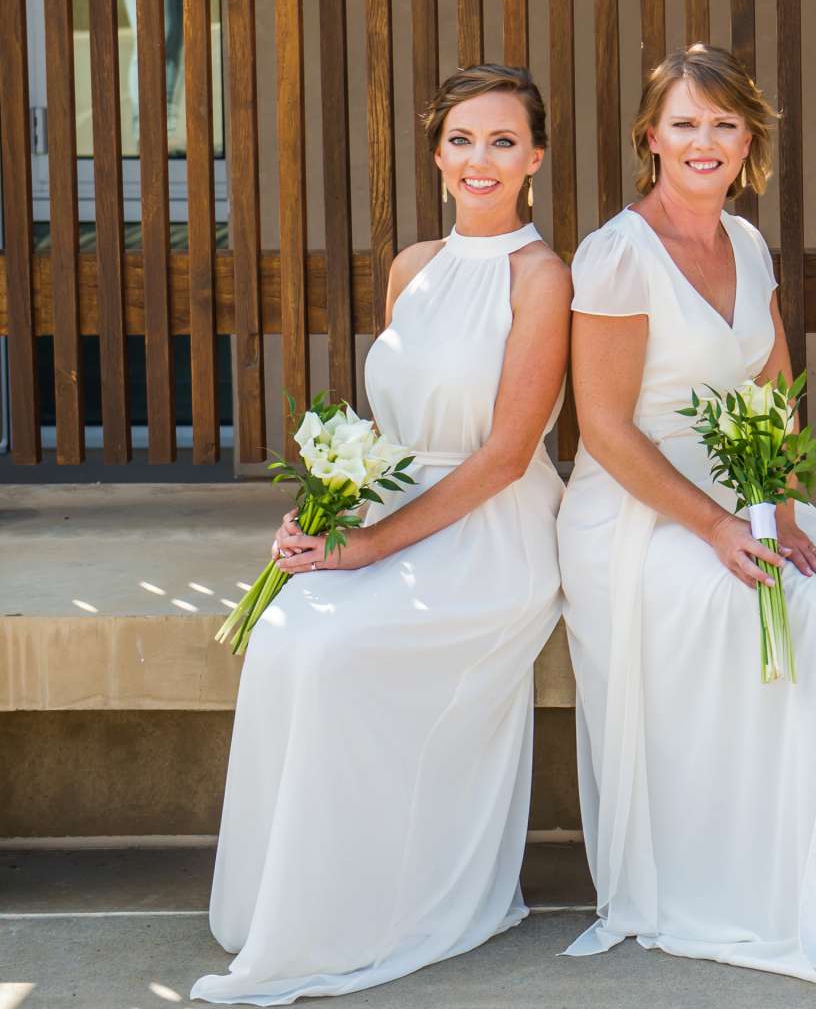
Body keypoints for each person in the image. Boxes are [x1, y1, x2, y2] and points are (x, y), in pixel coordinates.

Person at [556, 45, 816, 985]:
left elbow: (775, 397)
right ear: (650, 137)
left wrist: (779, 508)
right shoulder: (618, 255)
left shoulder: (744, 243)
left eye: (724, 124)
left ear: (749, 139)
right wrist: (716, 526)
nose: (705, 142)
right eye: (685, 124)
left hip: (748, 495)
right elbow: (607, 433)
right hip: (639, 517)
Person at [196, 64, 569, 1004]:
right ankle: (288, 902)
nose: (477, 160)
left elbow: (506, 454)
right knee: (287, 629)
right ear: (437, 154)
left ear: (535, 157)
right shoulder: (414, 265)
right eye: (459, 140)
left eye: (500, 141)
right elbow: (387, 428)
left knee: (336, 646)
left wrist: (367, 548)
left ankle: (380, 906)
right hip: (391, 512)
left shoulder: (544, 277)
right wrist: (326, 509)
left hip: (493, 532)